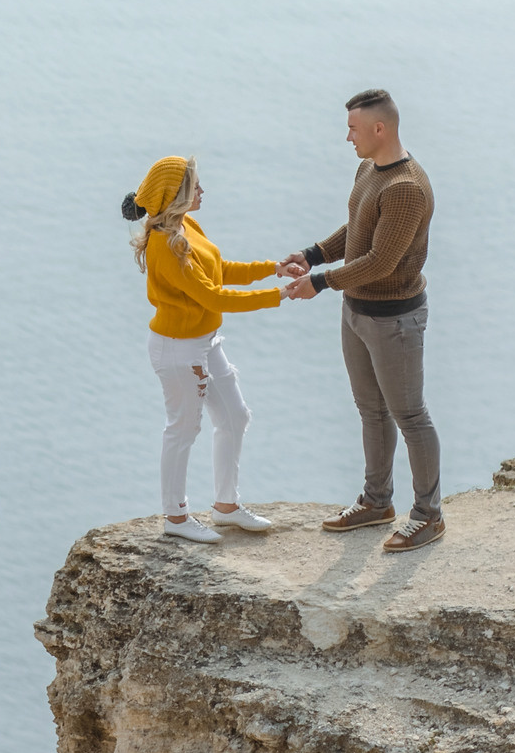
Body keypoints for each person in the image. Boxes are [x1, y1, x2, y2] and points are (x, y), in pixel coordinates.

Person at [278, 88, 442, 552]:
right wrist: (311, 255)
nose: (346, 136)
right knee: (370, 411)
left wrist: (321, 281)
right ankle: (377, 502)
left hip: (395, 320)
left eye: (352, 127)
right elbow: (358, 229)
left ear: (379, 128)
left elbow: (381, 260)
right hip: (357, 312)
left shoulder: (406, 187)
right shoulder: (369, 169)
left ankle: (428, 515)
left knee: (410, 416)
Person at [122, 154, 287, 544]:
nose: (202, 191)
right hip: (178, 349)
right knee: (183, 428)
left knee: (235, 416)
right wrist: (279, 296)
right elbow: (213, 296)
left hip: (203, 341)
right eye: (195, 185)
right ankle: (176, 517)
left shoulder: (186, 226)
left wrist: (272, 268)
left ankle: (226, 507)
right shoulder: (167, 244)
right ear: (177, 194)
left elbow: (219, 269)